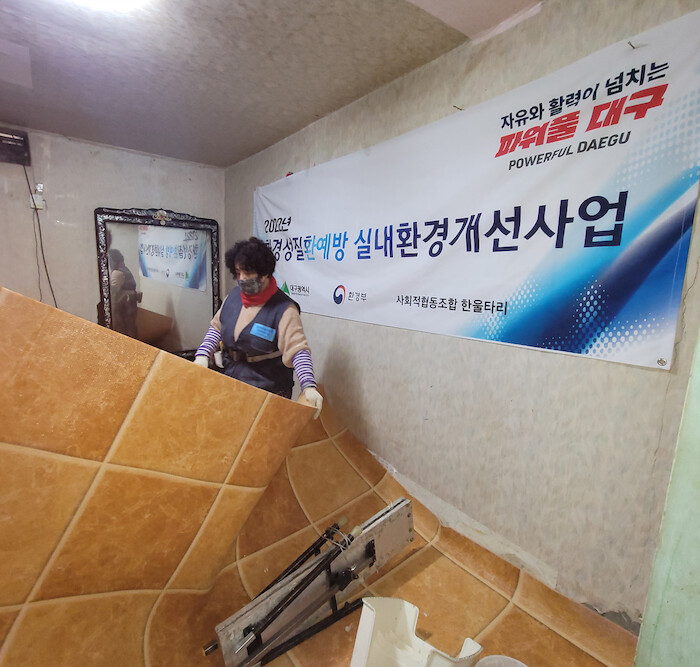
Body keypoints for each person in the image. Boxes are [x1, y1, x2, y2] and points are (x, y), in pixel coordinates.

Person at [194, 237, 323, 418]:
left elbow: (298, 350)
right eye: (238, 272)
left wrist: (308, 386)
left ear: (264, 273)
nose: (242, 278)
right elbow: (216, 328)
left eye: (248, 273)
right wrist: (203, 354)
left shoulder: (284, 309)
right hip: (231, 377)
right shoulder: (233, 297)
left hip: (267, 388)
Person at [108, 248, 142, 338]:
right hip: (130, 308)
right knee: (131, 331)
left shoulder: (117, 273)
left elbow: (112, 295)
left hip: (121, 310)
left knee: (122, 334)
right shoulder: (125, 270)